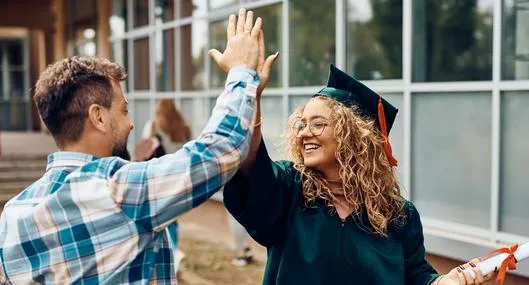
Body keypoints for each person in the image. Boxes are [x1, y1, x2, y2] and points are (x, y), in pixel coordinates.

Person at [0, 8, 264, 284]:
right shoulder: (117, 190)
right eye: (124, 111)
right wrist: (242, 71)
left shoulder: (13, 215)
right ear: (98, 117)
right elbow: (219, 150)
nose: (130, 124)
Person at [222, 64, 495, 285]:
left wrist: (443, 282)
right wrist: (250, 97)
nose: (304, 133)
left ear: (353, 136)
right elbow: (251, 167)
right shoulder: (291, 189)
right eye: (302, 124)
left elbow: (415, 275)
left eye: (318, 124)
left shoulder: (397, 215)